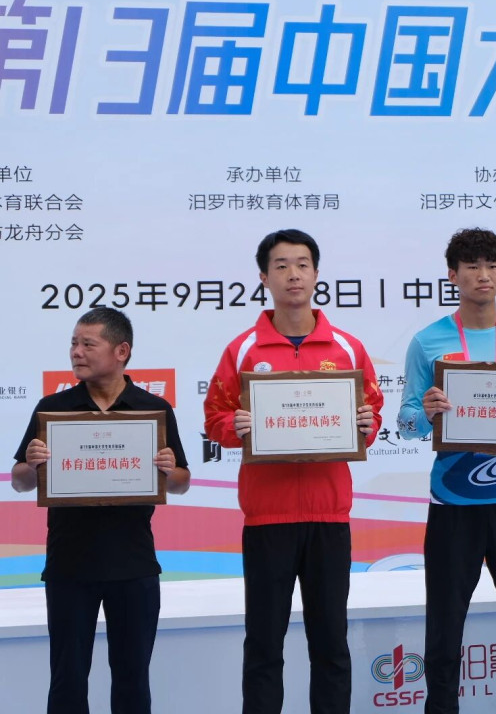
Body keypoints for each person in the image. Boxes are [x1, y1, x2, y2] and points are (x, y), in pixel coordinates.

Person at [203, 229, 384, 714]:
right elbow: (215, 417)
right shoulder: (243, 350)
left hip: (329, 516)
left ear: (317, 274)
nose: (293, 274)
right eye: (281, 265)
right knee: (264, 644)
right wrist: (235, 426)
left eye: (302, 264)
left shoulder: (346, 348)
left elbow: (370, 413)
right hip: (268, 517)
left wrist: (366, 425)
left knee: (331, 643)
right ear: (264, 277)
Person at [397, 227, 496, 714]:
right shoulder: (427, 341)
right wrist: (426, 412)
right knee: (444, 632)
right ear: (453, 275)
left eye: (492, 265)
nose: (483, 275)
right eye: (472, 266)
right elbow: (405, 423)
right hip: (453, 504)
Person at [11, 306, 190, 714]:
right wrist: (32, 464)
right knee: (68, 680)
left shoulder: (152, 408)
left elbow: (182, 482)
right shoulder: (52, 408)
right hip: (70, 565)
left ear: (121, 351)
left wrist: (169, 469)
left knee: (132, 680)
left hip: (134, 565)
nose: (76, 352)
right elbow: (20, 481)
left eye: (88, 344)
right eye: (73, 343)